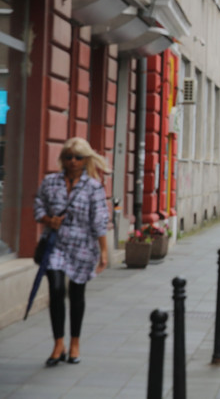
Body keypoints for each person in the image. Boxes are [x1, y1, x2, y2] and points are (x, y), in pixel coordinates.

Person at [34, 137, 110, 366]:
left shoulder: (94, 187)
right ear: (62, 159)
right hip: (55, 244)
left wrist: (103, 251)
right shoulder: (50, 182)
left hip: (82, 246)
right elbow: (38, 205)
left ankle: (75, 343)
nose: (73, 161)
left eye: (78, 157)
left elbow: (99, 220)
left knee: (77, 294)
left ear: (86, 159)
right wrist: (48, 219)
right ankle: (59, 343)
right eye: (68, 157)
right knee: (56, 289)